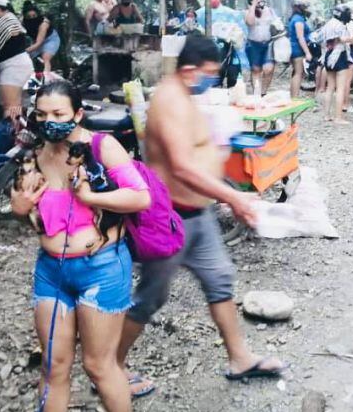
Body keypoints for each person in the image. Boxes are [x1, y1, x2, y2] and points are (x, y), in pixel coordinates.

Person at [117, 36, 285, 391]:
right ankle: (110, 367)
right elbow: (180, 166)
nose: (212, 79)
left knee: (219, 278)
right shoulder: (169, 101)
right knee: (150, 297)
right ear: (190, 70)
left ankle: (240, 358)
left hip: (199, 214)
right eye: (209, 73)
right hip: (171, 219)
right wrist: (233, 197)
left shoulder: (186, 95)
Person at [11, 80, 149, 412]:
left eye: (59, 114)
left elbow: (140, 196)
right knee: (53, 364)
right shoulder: (34, 155)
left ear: (78, 113)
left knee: (98, 364)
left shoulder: (102, 147)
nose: (49, 121)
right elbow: (27, 210)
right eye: (42, 115)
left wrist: (90, 196)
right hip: (51, 272)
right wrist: (19, 209)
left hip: (101, 269)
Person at [318, 4, 353, 124]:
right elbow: (343, 39)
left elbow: (321, 39)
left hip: (328, 56)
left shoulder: (328, 24)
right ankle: (338, 117)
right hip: (339, 56)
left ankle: (326, 115)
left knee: (330, 87)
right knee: (340, 88)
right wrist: (352, 38)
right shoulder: (340, 25)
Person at [243, 0, 278, 94]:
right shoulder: (247, 12)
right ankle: (257, 93)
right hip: (253, 44)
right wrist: (253, 6)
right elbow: (250, 22)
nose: (259, 0)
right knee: (256, 70)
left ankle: (264, 92)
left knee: (269, 69)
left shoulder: (270, 11)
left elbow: (277, 25)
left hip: (268, 44)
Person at [22, 2, 62, 77]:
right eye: (29, 16)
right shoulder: (23, 22)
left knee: (45, 58)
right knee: (25, 58)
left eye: (34, 16)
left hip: (50, 39)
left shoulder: (44, 24)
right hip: (36, 41)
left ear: (37, 14)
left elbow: (38, 43)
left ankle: (46, 77)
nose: (32, 18)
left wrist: (23, 51)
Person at [287, 0, 313, 97]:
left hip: (294, 48)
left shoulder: (296, 18)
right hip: (297, 49)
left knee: (296, 72)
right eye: (305, 6)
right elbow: (300, 37)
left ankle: (293, 96)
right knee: (298, 73)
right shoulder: (298, 19)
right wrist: (307, 52)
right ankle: (294, 98)